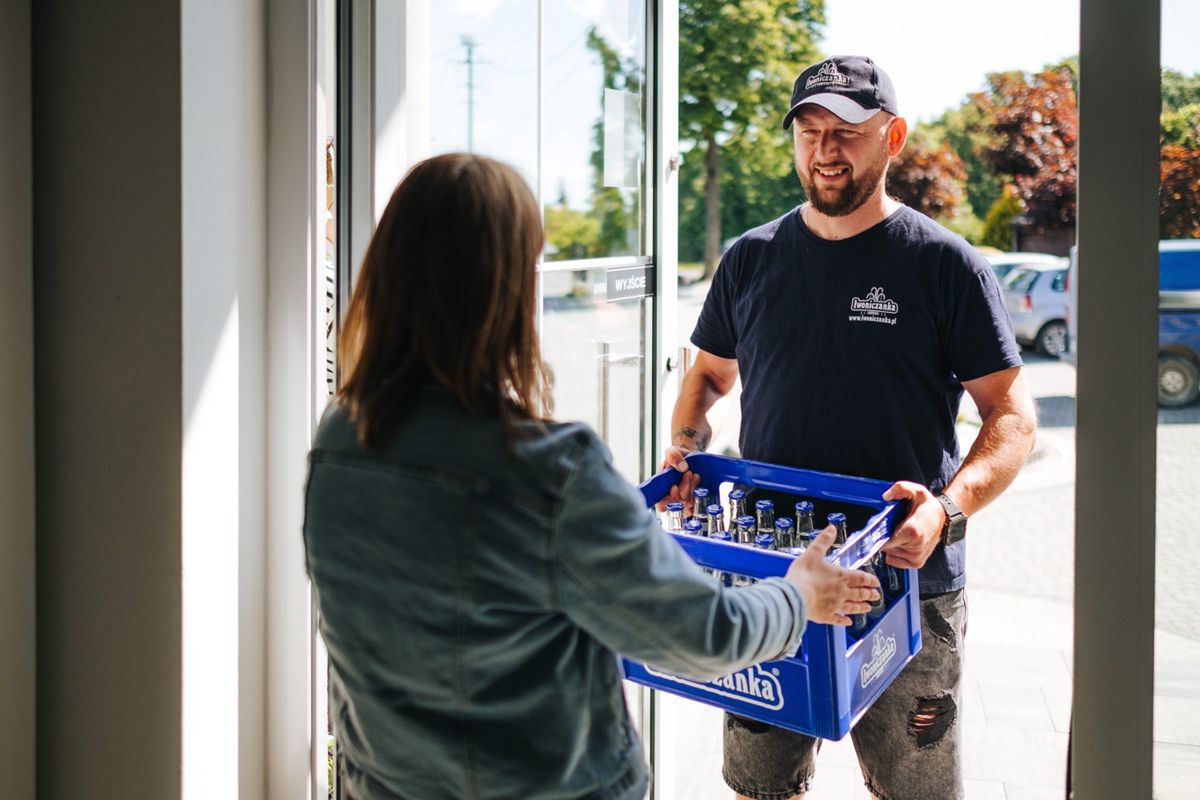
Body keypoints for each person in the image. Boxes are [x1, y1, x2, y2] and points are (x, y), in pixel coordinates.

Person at [302, 152, 881, 800]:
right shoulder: (552, 470)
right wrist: (800, 595)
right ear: (506, 290)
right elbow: (703, 636)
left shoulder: (336, 441)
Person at [661, 56, 1038, 800]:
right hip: (775, 575)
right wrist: (685, 448)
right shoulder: (751, 259)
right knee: (759, 787)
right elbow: (707, 376)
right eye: (809, 132)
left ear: (892, 137)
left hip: (906, 580)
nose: (825, 150)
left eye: (846, 133)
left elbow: (1013, 417)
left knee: (915, 793)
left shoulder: (945, 266)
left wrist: (948, 509)